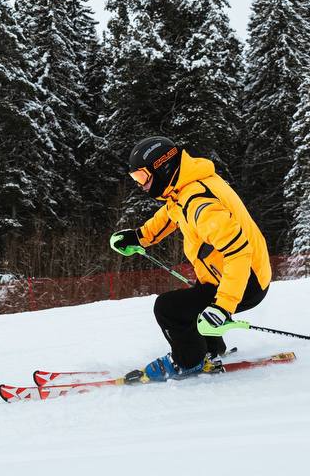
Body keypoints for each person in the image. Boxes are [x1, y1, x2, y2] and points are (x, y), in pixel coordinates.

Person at [109, 134, 271, 380]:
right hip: (228, 274)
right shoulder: (184, 188)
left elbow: (239, 253)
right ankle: (210, 349)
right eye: (136, 179)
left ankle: (188, 361)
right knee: (194, 302)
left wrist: (223, 307)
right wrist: (140, 236)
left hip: (244, 280)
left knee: (168, 308)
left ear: (162, 167)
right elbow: (171, 213)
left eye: (142, 177)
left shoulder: (199, 204)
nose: (140, 185)